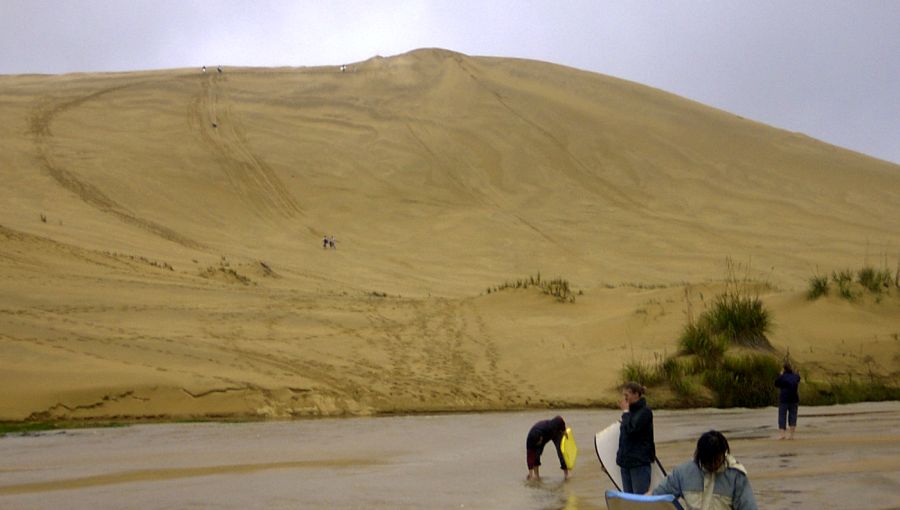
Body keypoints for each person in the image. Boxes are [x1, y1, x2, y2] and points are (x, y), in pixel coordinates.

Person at [652, 430, 757, 510]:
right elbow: (656, 497)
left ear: (724, 454)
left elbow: (749, 507)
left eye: (717, 460)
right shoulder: (683, 473)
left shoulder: (736, 477)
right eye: (709, 461)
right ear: (699, 456)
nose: (713, 465)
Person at [616, 382, 656, 494]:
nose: (624, 399)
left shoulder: (645, 412)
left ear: (636, 394)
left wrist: (625, 412)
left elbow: (631, 430)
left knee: (640, 501)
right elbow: (623, 438)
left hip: (639, 463)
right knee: (629, 502)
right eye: (623, 395)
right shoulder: (629, 413)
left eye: (626, 395)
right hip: (625, 463)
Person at [525, 415, 570, 481]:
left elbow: (559, 419)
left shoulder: (549, 426)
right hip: (541, 436)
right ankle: (536, 476)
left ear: (541, 437)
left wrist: (564, 430)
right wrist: (530, 473)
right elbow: (530, 456)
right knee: (536, 454)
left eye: (539, 441)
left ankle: (567, 474)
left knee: (560, 451)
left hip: (555, 433)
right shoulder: (530, 440)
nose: (539, 443)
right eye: (538, 443)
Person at [774, 361, 801, 440]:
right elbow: (798, 378)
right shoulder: (795, 376)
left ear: (784, 369)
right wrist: (795, 372)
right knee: (793, 416)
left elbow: (776, 384)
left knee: (782, 416)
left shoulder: (782, 377)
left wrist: (780, 375)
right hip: (794, 399)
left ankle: (782, 435)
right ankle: (791, 435)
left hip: (784, 399)